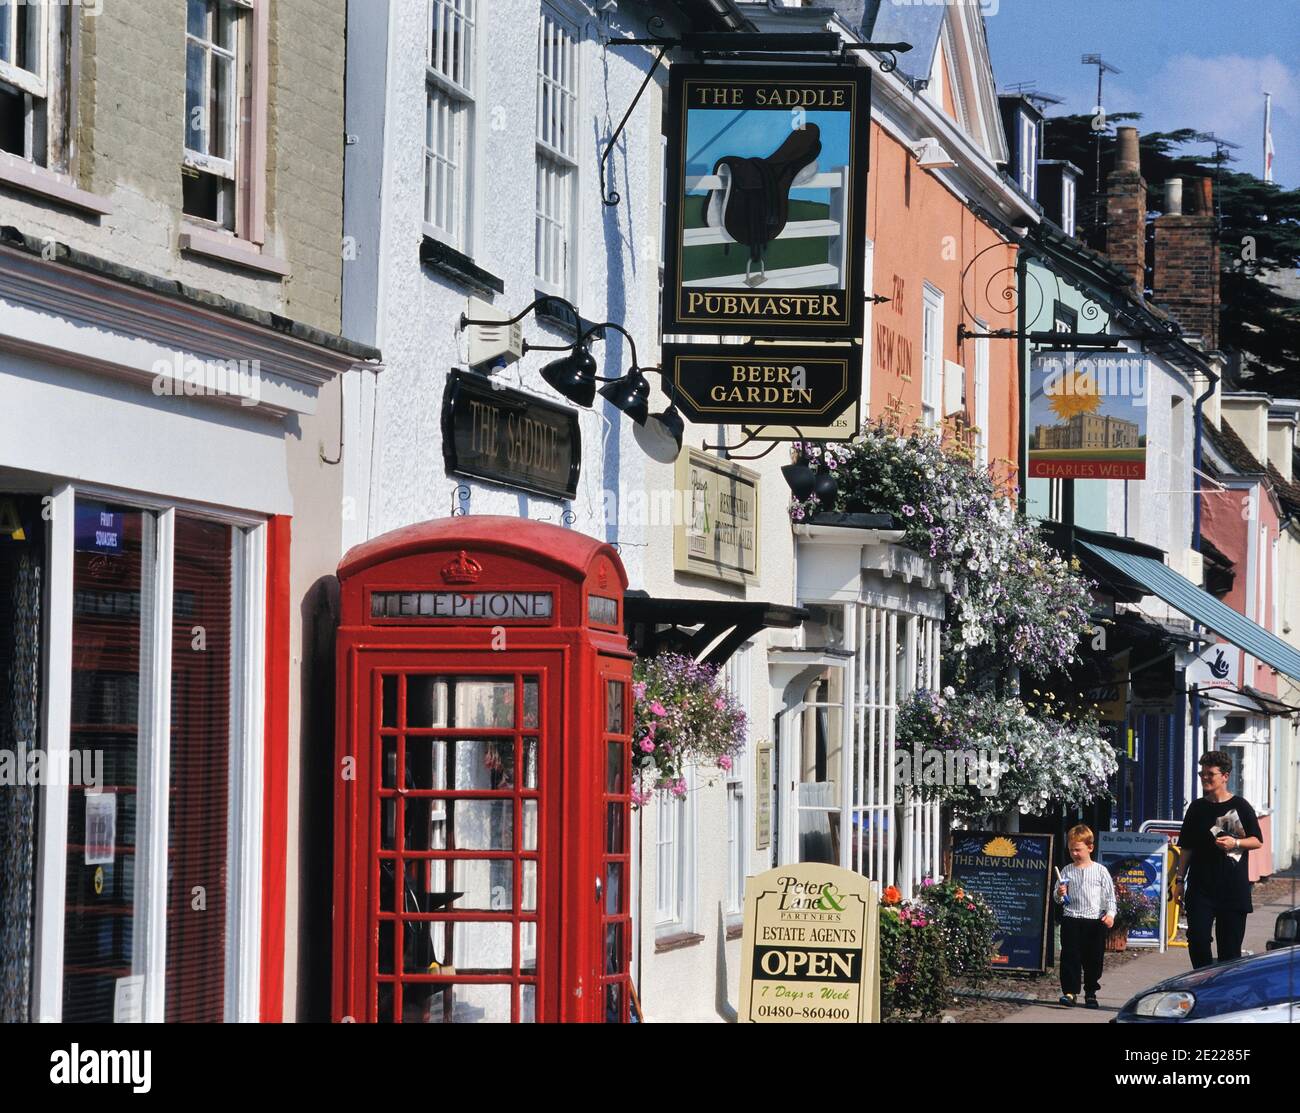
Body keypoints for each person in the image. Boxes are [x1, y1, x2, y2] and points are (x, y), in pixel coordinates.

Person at [1173, 750, 1263, 968]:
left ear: (1225, 776)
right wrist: (1179, 881)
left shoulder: (1241, 806)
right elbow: (1186, 848)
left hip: (1233, 889)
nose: (1204, 778)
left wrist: (1236, 843)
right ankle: (1203, 984)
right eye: (1201, 774)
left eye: (1210, 774)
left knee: (1229, 952)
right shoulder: (1197, 808)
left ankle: (1224, 997)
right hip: (1201, 888)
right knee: (1198, 941)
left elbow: (1257, 841)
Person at [1054, 824, 1116, 1009]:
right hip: (1072, 918)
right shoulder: (1066, 871)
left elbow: (1109, 897)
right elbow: (1058, 899)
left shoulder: (1100, 871)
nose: (1074, 853)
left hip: (1094, 921)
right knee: (1070, 957)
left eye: (1078, 849)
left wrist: (1110, 915)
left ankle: (1090, 991)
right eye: (1071, 849)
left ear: (1090, 847)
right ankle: (1070, 992)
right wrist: (1059, 892)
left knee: (1093, 959)